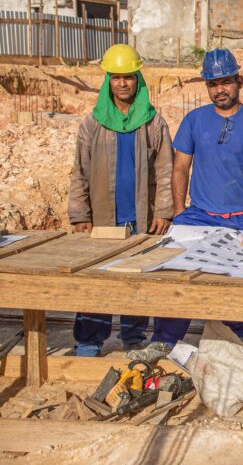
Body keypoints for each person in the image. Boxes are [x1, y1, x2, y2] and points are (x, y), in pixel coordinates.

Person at [129, 48, 243, 362]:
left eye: (225, 82)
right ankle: (165, 340)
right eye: (213, 83)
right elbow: (180, 168)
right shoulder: (194, 120)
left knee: (233, 284)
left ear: (239, 81)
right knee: (176, 275)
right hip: (199, 215)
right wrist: (180, 212)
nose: (219, 89)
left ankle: (232, 343)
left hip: (242, 217)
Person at [68, 44, 172, 357]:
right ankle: (89, 340)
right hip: (102, 219)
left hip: (141, 218)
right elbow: (79, 171)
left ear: (138, 79)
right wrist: (80, 214)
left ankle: (133, 337)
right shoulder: (93, 123)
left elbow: (165, 171)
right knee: (96, 281)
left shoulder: (153, 122)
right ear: (108, 81)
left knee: (135, 280)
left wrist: (164, 210)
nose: (122, 83)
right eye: (116, 77)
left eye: (128, 77)